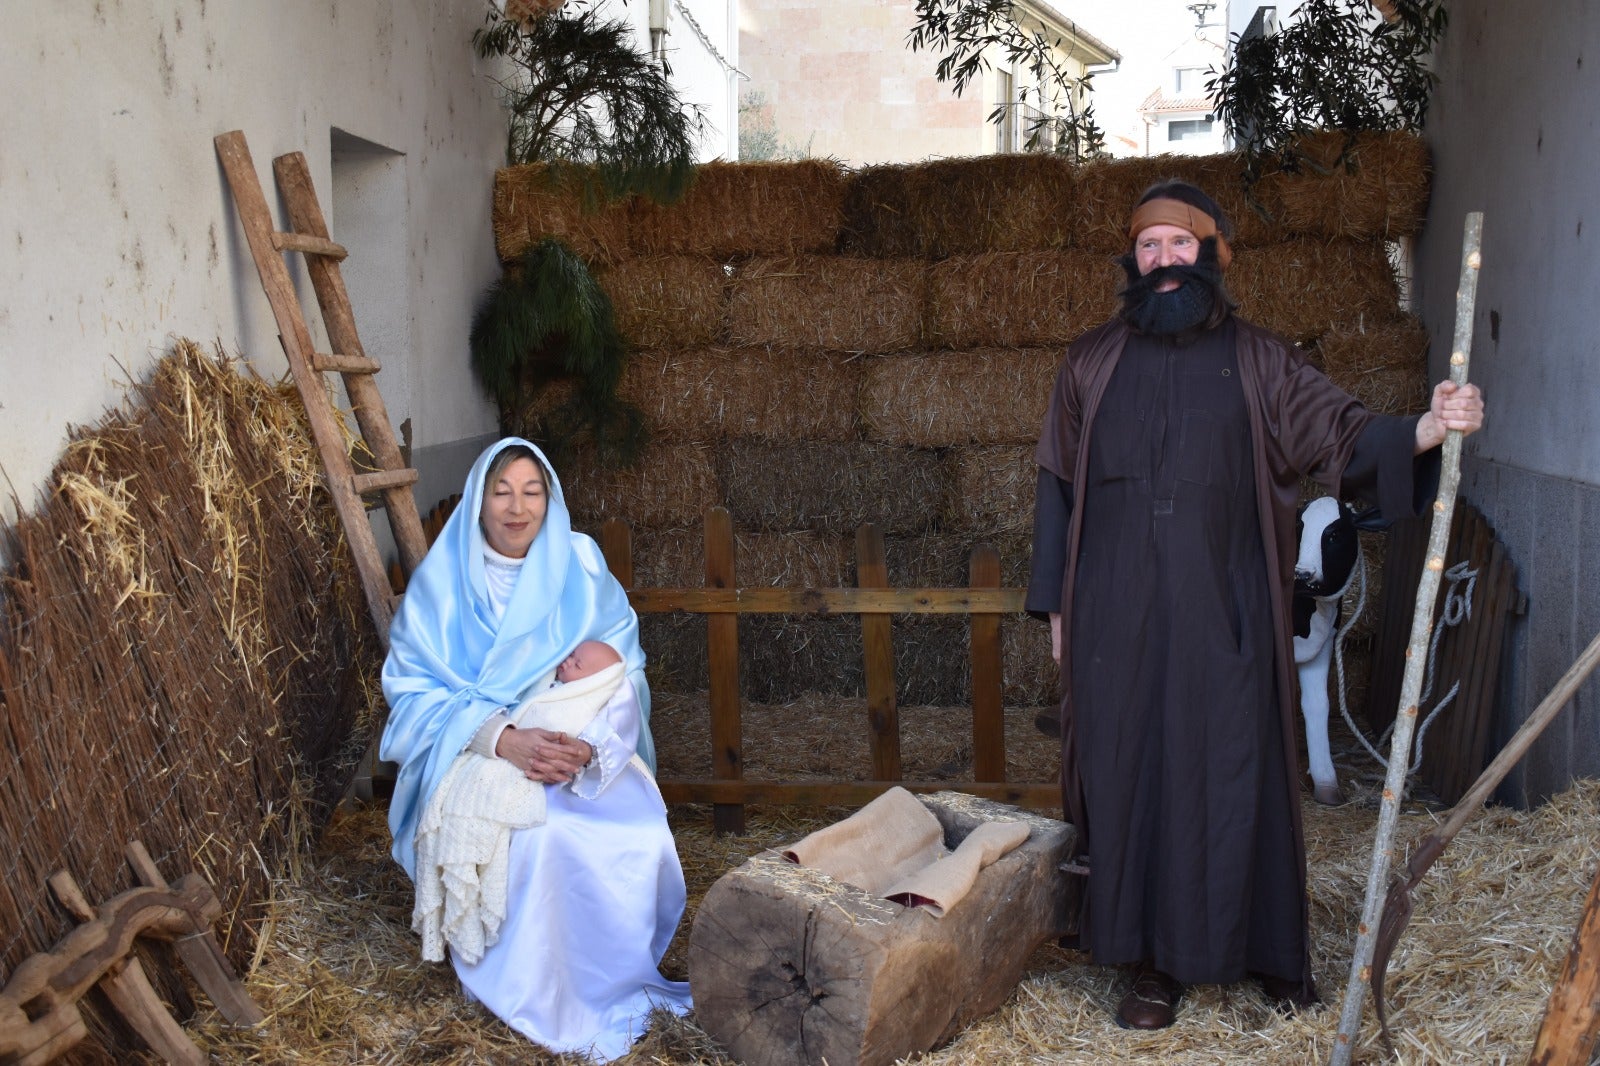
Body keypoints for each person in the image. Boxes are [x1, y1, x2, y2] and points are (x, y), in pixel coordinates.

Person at [1026, 181, 1483, 1031]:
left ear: (1213, 255)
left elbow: (1342, 436)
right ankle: (1151, 966)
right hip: (1115, 617)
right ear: (1134, 259)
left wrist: (1426, 427)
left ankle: (1268, 954)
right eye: (1150, 245)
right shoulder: (1089, 360)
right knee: (1132, 777)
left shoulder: (1261, 359)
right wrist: (1056, 607)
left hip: (1227, 605)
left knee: (1238, 767)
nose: (1163, 259)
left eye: (1181, 244)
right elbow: (1056, 485)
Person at [381, 438, 691, 1062]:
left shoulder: (579, 565)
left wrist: (587, 745)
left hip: (575, 754)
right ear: (478, 501)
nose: (516, 507)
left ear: (549, 501)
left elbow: (623, 669)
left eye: (532, 491)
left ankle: (606, 978)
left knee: (631, 833)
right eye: (501, 492)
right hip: (478, 756)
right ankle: (528, 987)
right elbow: (411, 696)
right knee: (544, 839)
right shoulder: (443, 585)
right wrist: (503, 739)